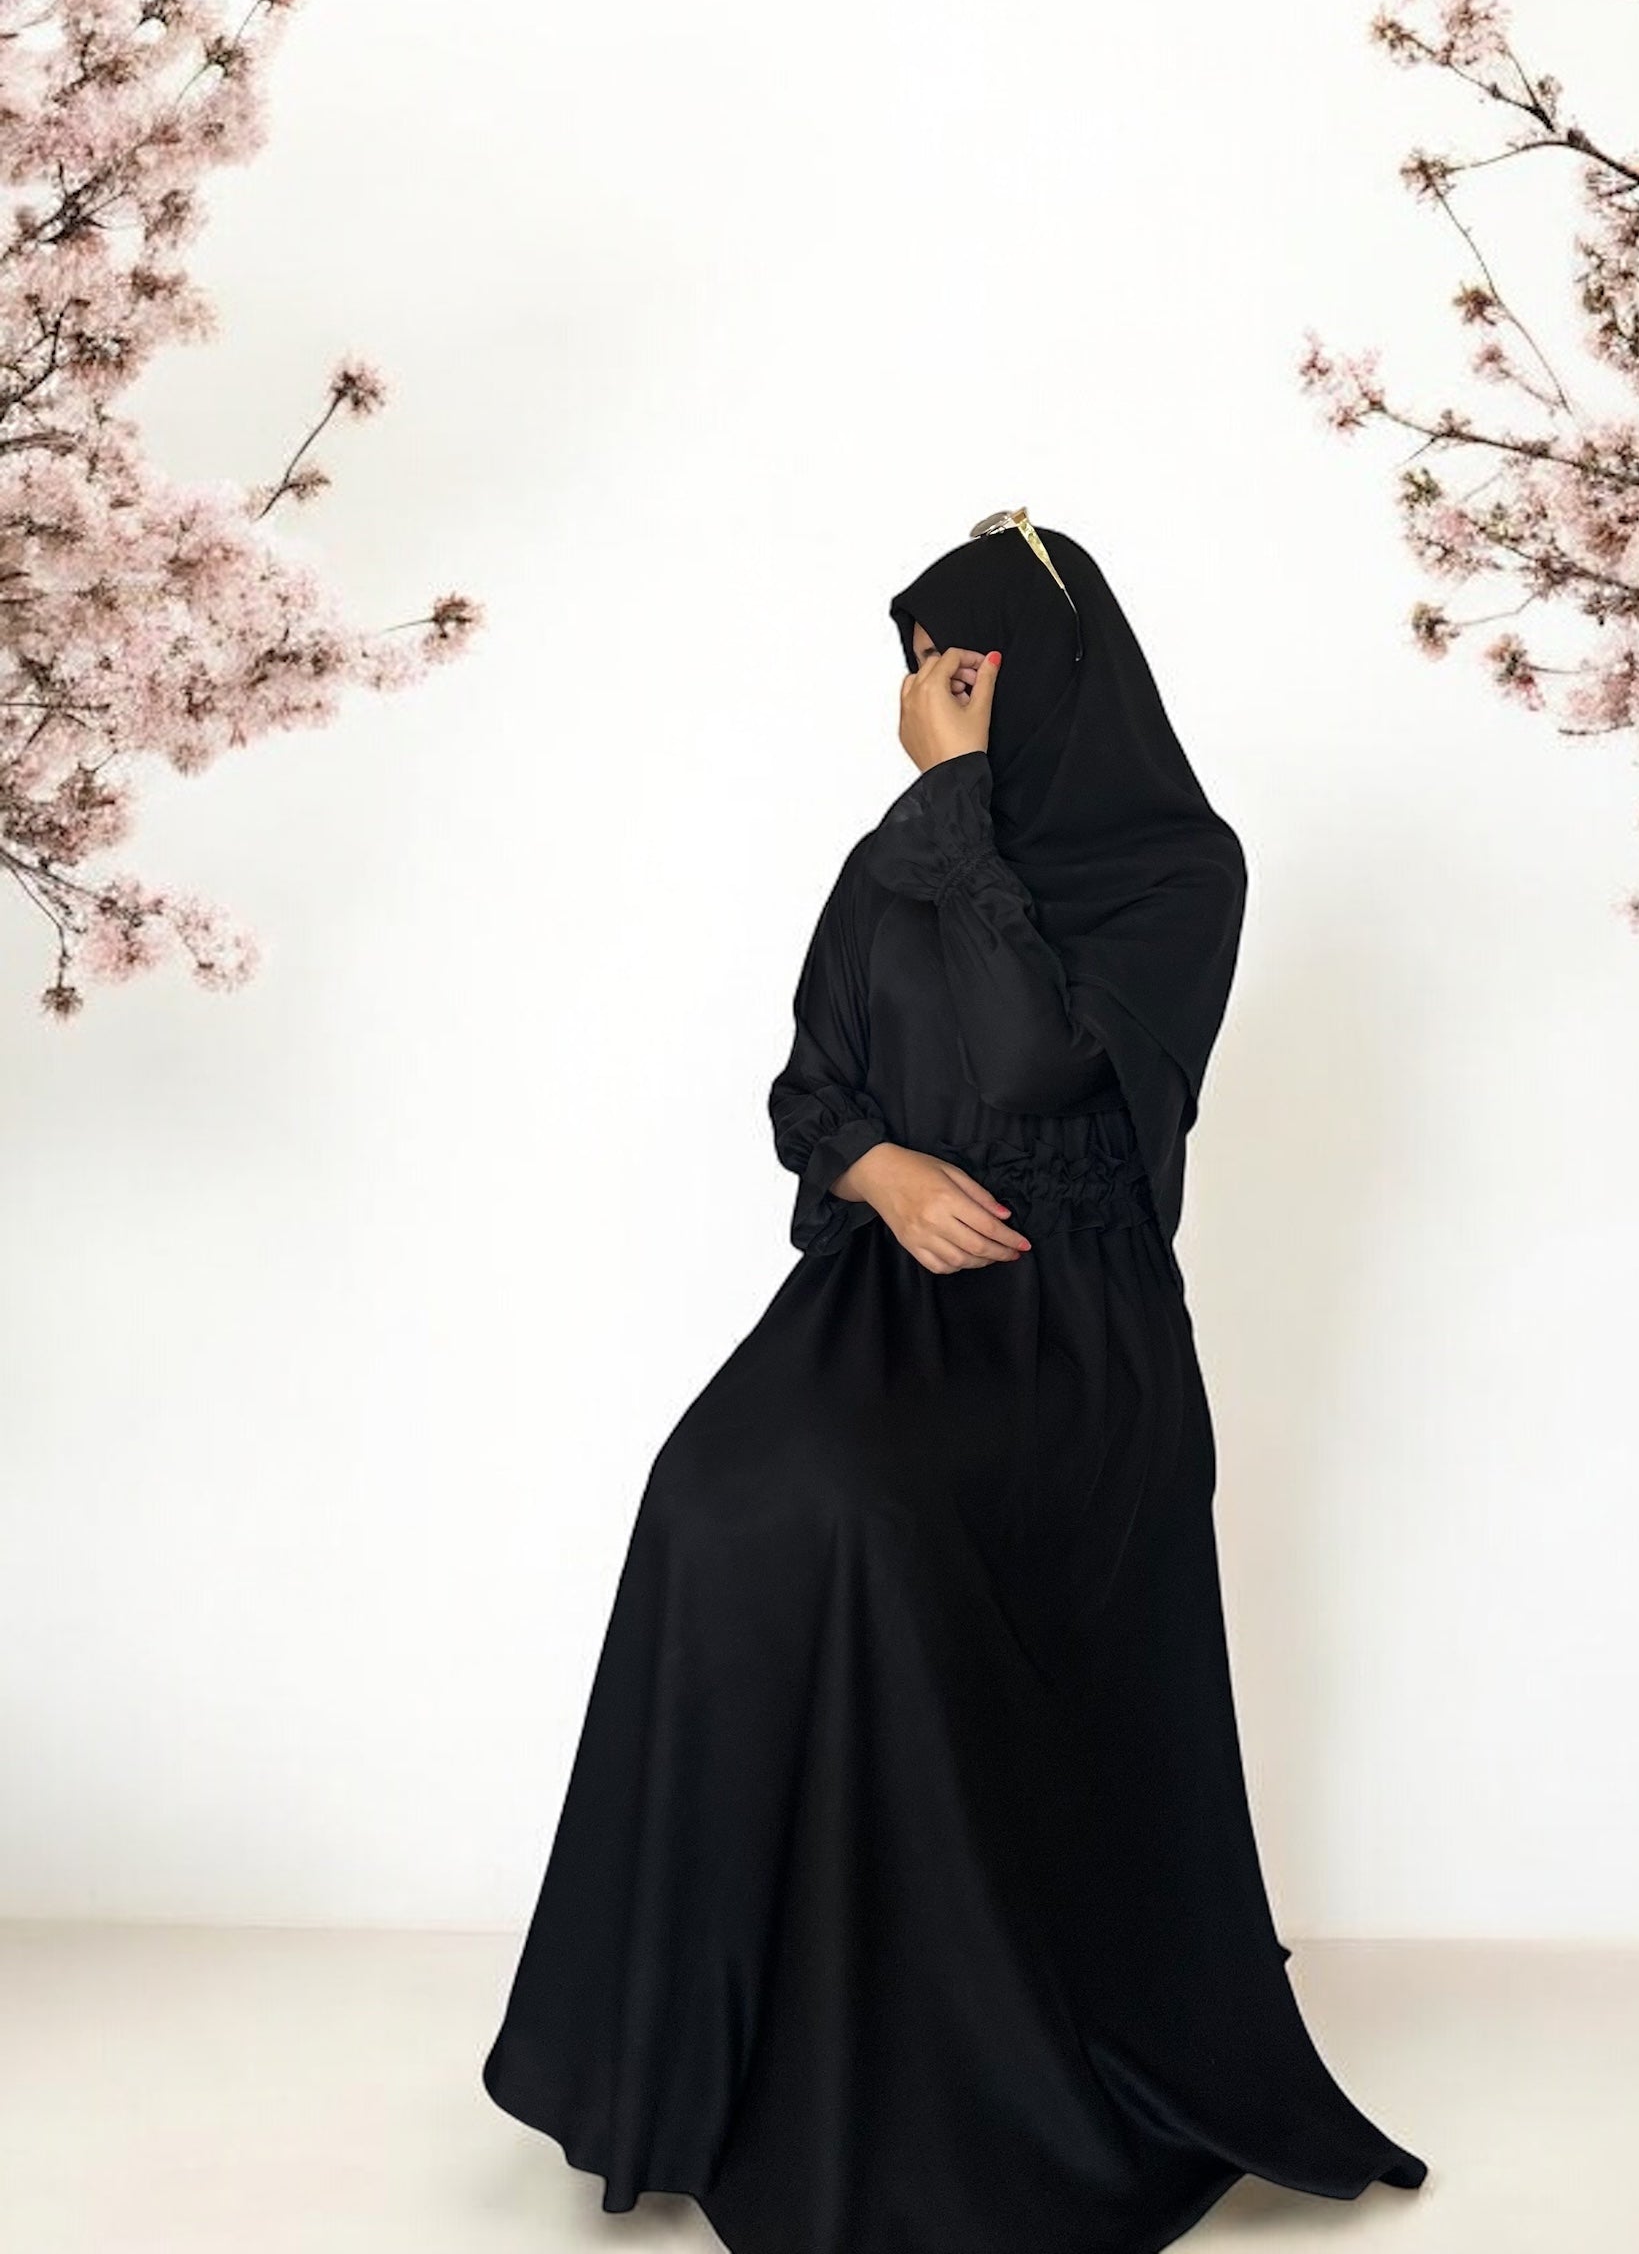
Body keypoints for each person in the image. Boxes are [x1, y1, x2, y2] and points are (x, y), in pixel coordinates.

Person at [480, 511, 1429, 2252]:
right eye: (919, 668)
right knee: (714, 1499)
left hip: (1073, 1336)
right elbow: (809, 1091)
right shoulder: (895, 860)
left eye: (964, 664)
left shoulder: (1179, 871)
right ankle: (700, 2054)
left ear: (1046, 673)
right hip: (884, 1298)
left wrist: (954, 803)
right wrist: (878, 1172)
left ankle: (959, 2060)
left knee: (863, 1522)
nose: (931, 695)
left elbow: (1037, 1060)